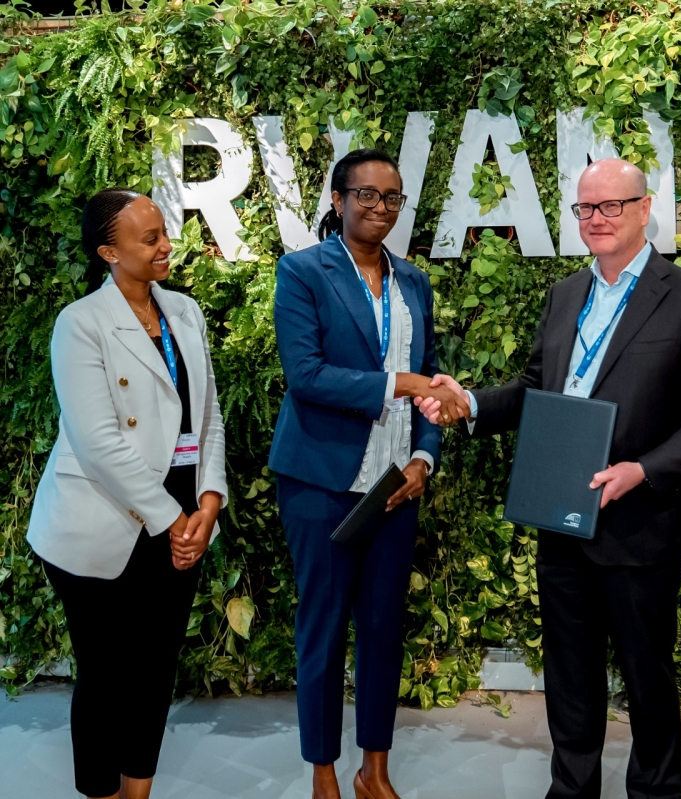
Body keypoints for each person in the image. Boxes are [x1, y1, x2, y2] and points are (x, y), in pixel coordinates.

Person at [417, 159, 681, 798]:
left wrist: (645, 470)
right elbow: (541, 390)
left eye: (611, 207)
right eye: (585, 209)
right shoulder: (567, 294)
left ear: (645, 209)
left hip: (639, 525)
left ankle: (654, 792)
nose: (596, 220)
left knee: (647, 677)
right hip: (562, 516)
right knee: (568, 675)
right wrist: (473, 404)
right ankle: (571, 791)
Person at [268, 148, 468, 799]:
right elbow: (308, 376)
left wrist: (424, 456)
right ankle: (323, 772)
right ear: (337, 199)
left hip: (395, 486)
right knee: (323, 631)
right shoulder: (303, 272)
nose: (379, 207)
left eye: (392, 197)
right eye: (366, 194)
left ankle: (373, 769)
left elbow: (432, 381)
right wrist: (396, 383)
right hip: (322, 483)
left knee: (382, 630)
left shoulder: (413, 281)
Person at [26, 189, 228, 799]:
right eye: (149, 240)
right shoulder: (80, 323)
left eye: (164, 233)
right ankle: (102, 792)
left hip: (184, 511)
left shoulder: (185, 313)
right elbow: (98, 443)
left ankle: (136, 792)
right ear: (109, 252)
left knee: (155, 668)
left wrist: (210, 502)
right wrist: (173, 520)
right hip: (102, 518)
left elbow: (208, 417)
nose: (166, 246)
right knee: (107, 673)